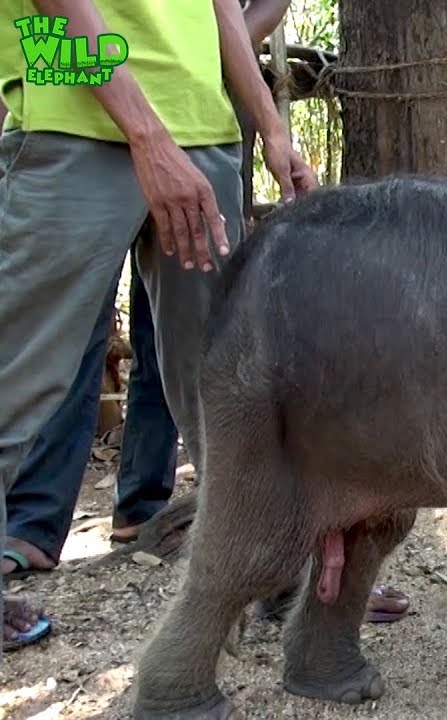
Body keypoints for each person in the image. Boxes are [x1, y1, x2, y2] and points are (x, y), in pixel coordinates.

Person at [0, 0, 317, 653]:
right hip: (75, 117)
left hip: (203, 130)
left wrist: (271, 125)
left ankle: (279, 570)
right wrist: (147, 135)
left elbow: (218, 5)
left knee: (225, 384)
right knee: (15, 376)